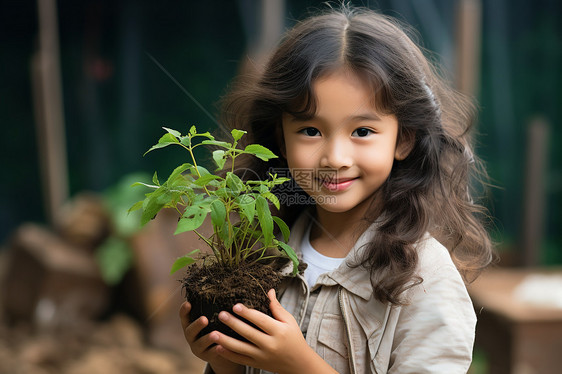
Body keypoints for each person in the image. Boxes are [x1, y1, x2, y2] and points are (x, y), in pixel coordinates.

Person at [179, 5, 494, 374]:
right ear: (280, 139)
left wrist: (299, 365)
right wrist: (225, 362)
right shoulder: (265, 252)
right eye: (310, 131)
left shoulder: (425, 278)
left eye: (362, 131)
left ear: (404, 140)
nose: (335, 157)